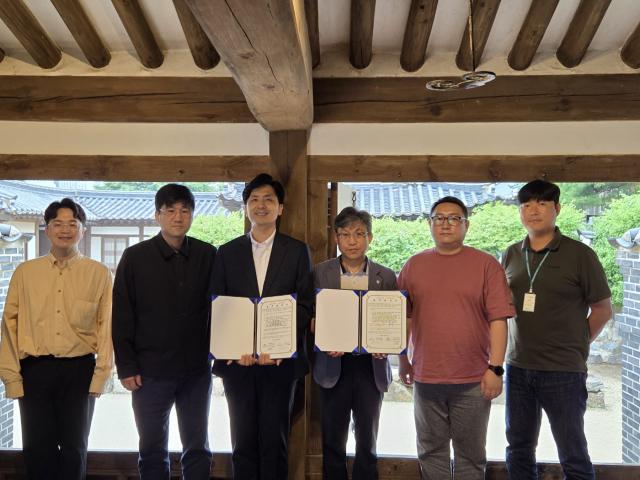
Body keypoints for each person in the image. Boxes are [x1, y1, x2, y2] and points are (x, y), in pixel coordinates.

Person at [397, 196, 514, 480]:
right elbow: (404, 318)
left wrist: (495, 368)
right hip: (426, 376)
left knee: (471, 454)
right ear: (430, 224)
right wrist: (403, 360)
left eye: (454, 218)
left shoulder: (486, 265)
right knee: (430, 451)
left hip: (473, 378)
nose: (446, 224)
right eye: (439, 218)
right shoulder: (414, 265)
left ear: (466, 225)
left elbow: (499, 320)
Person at [502, 180, 612, 480]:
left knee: (572, 452)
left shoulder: (580, 254)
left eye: (541, 203)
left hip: (563, 370)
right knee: (518, 448)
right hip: (518, 367)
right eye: (526, 205)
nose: (533, 210)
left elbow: (602, 309)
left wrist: (577, 343)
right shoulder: (511, 254)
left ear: (557, 208)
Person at [0, 198, 112, 480]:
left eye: (72, 224)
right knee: (37, 449)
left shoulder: (98, 273)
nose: (65, 230)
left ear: (83, 230)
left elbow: (107, 327)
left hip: (80, 369)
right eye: (57, 224)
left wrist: (101, 375)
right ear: (47, 229)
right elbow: (9, 327)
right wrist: (11, 377)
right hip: (35, 370)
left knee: (75, 449)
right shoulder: (26, 273)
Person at [211, 173, 313, 480]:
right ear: (245, 208)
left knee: (274, 441)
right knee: (242, 441)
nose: (261, 205)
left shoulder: (297, 251)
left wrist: (281, 346)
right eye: (254, 199)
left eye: (269, 199)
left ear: (280, 208)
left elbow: (305, 304)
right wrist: (230, 349)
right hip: (238, 363)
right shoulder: (227, 252)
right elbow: (218, 306)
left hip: (279, 363)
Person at [112, 184, 216, 479]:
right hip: (149, 372)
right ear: (157, 215)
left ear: (192, 214)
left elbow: (221, 307)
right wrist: (126, 366)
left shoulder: (208, 254)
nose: (178, 217)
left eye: (185, 210)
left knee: (197, 445)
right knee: (152, 447)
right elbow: (122, 314)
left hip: (195, 370)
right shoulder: (135, 257)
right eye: (170, 210)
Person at [313, 207, 397, 480]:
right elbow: (311, 317)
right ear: (336, 238)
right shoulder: (320, 273)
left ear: (370, 238)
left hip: (370, 367)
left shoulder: (386, 276)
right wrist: (325, 339)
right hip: (333, 364)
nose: (352, 241)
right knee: (332, 439)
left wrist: (387, 344)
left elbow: (393, 320)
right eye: (345, 234)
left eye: (359, 234)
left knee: (367, 439)